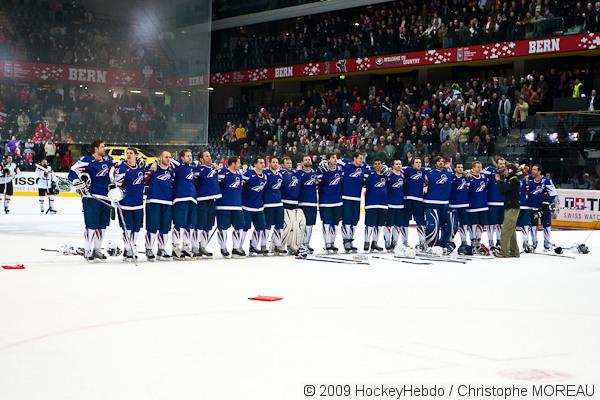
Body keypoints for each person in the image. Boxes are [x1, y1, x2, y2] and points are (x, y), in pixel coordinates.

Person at [68, 140, 115, 262]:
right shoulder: (87, 160)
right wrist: (76, 181)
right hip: (91, 197)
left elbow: (119, 167)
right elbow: (72, 172)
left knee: (102, 226)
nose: (104, 149)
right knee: (91, 225)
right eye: (102, 147)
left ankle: (97, 250)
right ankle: (87, 250)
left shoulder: (109, 160)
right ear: (95, 148)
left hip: (106, 198)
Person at [113, 148, 145, 262]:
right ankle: (128, 249)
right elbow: (116, 184)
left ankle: (131, 247)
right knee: (128, 228)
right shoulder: (122, 168)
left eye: (131, 153)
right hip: (125, 204)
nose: (128, 155)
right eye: (127, 153)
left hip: (138, 204)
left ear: (136, 155)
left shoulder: (141, 168)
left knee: (136, 228)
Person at [144, 151, 174, 261]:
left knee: (165, 228)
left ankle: (161, 249)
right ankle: (149, 249)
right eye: (166, 157)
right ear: (160, 157)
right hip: (154, 200)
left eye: (170, 157)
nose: (168, 159)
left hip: (168, 202)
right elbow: (144, 180)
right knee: (152, 227)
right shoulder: (152, 167)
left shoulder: (171, 171)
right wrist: (152, 169)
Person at [339, 152, 369, 253]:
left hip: (357, 198)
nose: (361, 160)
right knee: (347, 220)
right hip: (346, 197)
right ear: (354, 158)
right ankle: (346, 240)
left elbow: (368, 175)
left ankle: (350, 240)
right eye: (360, 158)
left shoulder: (363, 168)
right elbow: (337, 161)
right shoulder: (346, 166)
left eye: (362, 158)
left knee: (355, 220)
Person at [216, 156, 245, 258]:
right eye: (238, 163)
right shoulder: (223, 172)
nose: (240, 165)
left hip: (237, 205)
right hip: (223, 205)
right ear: (233, 163)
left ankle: (236, 248)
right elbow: (216, 186)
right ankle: (223, 247)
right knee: (223, 228)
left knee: (239, 227)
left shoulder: (239, 174)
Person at [170, 149, 197, 260]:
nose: (190, 157)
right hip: (180, 198)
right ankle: (175, 248)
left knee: (190, 225)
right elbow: (167, 159)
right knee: (179, 224)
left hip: (192, 198)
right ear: (182, 157)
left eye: (191, 155)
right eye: (187, 156)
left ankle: (185, 247)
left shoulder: (193, 167)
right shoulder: (178, 166)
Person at [194, 149, 221, 257]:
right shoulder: (198, 169)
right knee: (200, 224)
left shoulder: (214, 169)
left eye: (209, 155)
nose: (209, 157)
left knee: (208, 225)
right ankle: (195, 247)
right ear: (201, 159)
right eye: (206, 156)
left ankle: (203, 247)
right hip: (202, 200)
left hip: (213, 199)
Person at [423, 156, 454, 252]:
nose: (441, 163)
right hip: (431, 203)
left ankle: (443, 245)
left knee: (446, 225)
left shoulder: (449, 173)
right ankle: (430, 245)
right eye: (439, 161)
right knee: (433, 226)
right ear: (435, 163)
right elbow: (423, 184)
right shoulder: (429, 173)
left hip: (445, 203)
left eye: (442, 161)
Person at [317, 153, 343, 253]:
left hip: (337, 201)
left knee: (335, 223)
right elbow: (316, 182)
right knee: (327, 223)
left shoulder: (340, 169)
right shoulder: (322, 169)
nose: (335, 159)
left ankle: (332, 243)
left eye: (336, 158)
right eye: (333, 158)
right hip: (325, 201)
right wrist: (320, 170)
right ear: (328, 160)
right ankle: (327, 243)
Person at [241, 157, 268, 255]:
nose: (263, 164)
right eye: (260, 162)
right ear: (255, 164)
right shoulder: (247, 174)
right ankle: (239, 247)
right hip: (247, 206)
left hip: (259, 206)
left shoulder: (264, 177)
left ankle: (253, 246)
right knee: (244, 227)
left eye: (263, 162)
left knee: (261, 226)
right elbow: (240, 187)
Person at [527, 164, 557, 251]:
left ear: (539, 171)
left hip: (544, 207)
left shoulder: (546, 181)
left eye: (535, 170)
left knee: (546, 225)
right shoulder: (529, 179)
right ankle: (534, 243)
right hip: (533, 207)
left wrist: (547, 202)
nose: (532, 171)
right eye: (532, 169)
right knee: (533, 226)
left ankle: (547, 243)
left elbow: (553, 193)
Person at [494, 165, 520, 258]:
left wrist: (498, 180)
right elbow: (505, 187)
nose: (503, 172)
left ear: (510, 171)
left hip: (512, 208)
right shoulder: (511, 180)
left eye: (505, 170)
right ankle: (514, 251)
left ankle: (504, 252)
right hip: (511, 207)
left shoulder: (513, 181)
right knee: (511, 231)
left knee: (505, 230)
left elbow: (503, 189)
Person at [280, 157, 304, 254]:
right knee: (286, 226)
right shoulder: (281, 173)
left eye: (290, 163)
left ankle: (293, 246)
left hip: (295, 204)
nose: (289, 165)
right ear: (282, 165)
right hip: (284, 203)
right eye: (287, 163)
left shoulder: (295, 174)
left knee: (296, 227)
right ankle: (278, 245)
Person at [364, 159, 388, 252]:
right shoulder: (369, 175)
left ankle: (374, 243)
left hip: (383, 204)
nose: (377, 165)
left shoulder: (386, 176)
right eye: (375, 164)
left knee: (379, 225)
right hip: (371, 204)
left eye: (379, 163)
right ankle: (366, 242)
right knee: (370, 224)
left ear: (382, 165)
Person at [263, 157, 287, 255]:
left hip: (279, 203)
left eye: (277, 162)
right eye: (273, 162)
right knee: (267, 225)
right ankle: (263, 246)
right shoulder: (265, 174)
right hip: (268, 203)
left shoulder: (280, 175)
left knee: (279, 225)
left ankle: (277, 245)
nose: (275, 164)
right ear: (270, 163)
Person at [466, 161, 490, 254]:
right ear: (473, 168)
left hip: (483, 205)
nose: (479, 168)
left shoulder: (484, 177)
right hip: (472, 206)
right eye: (477, 167)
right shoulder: (469, 178)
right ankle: (473, 241)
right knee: (473, 224)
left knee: (481, 224)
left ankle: (478, 241)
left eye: (480, 167)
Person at [483, 158, 506, 252]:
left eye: (503, 164)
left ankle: (499, 241)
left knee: (501, 223)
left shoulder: (506, 173)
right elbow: (483, 172)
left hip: (503, 202)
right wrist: (496, 173)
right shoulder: (490, 169)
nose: (503, 165)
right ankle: (491, 242)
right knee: (491, 223)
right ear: (496, 164)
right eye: (500, 164)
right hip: (492, 202)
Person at [384, 159, 407, 251]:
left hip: (400, 204)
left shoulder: (403, 176)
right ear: (393, 166)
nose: (398, 165)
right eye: (396, 164)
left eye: (400, 164)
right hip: (390, 204)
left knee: (398, 225)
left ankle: (394, 242)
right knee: (388, 224)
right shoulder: (389, 176)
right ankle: (387, 242)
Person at [403, 158, 426, 249]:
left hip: (419, 200)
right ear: (412, 164)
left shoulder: (423, 171)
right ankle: (405, 242)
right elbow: (397, 169)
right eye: (416, 162)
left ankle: (422, 242)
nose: (418, 164)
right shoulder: (407, 170)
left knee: (420, 221)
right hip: (408, 200)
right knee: (405, 221)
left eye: (420, 162)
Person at [297, 155, 318, 252]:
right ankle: (301, 244)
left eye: (309, 159)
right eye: (306, 160)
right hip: (302, 202)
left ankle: (306, 243)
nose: (308, 161)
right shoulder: (298, 173)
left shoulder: (315, 173)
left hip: (313, 202)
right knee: (303, 224)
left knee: (310, 224)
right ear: (302, 162)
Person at [450, 162, 470, 254]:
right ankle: (450, 241)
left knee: (464, 224)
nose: (461, 168)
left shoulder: (466, 178)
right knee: (453, 225)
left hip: (464, 205)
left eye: (462, 167)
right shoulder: (451, 177)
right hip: (453, 205)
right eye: (458, 167)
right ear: (455, 169)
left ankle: (464, 241)